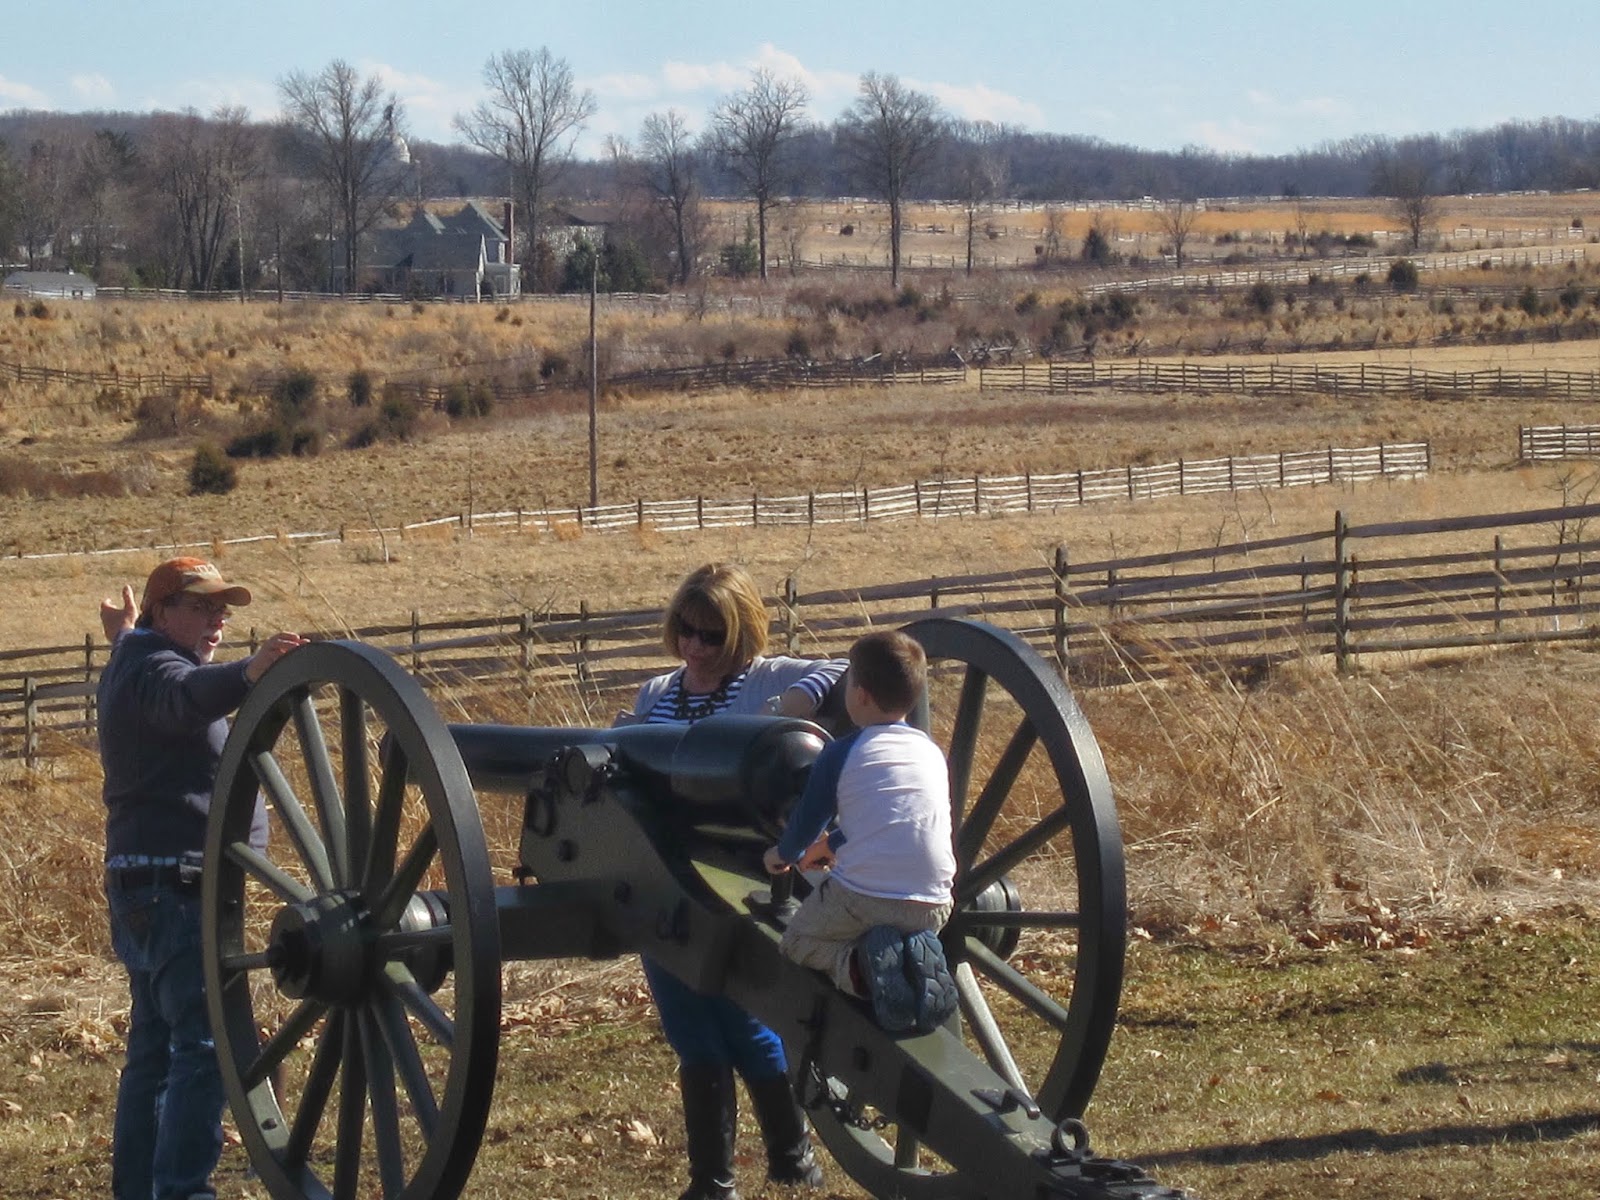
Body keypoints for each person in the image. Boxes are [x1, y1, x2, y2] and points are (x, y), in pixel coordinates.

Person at [626, 563, 845, 1200]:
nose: (694, 646)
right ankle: (713, 1180)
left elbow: (843, 668)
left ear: (741, 633)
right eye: (686, 630)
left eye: (711, 634)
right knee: (688, 1025)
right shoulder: (656, 692)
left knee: (748, 1019)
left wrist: (787, 711)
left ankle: (791, 1158)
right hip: (666, 877)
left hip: (744, 878)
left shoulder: (764, 679)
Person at [97, 557, 306, 1200]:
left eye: (223, 609)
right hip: (176, 888)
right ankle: (182, 1191)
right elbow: (181, 696)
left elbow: (150, 671)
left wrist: (123, 632)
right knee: (204, 1047)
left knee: (154, 1054)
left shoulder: (137, 656)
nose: (217, 620)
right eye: (201, 607)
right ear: (162, 612)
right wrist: (247, 673)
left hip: (148, 882)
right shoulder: (158, 669)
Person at [763, 629, 958, 1034]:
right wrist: (831, 845)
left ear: (861, 695)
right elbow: (895, 817)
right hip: (935, 906)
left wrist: (783, 855)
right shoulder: (930, 751)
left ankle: (860, 969)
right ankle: (913, 955)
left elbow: (808, 820)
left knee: (797, 942)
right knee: (889, 924)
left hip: (865, 901)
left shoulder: (842, 751)